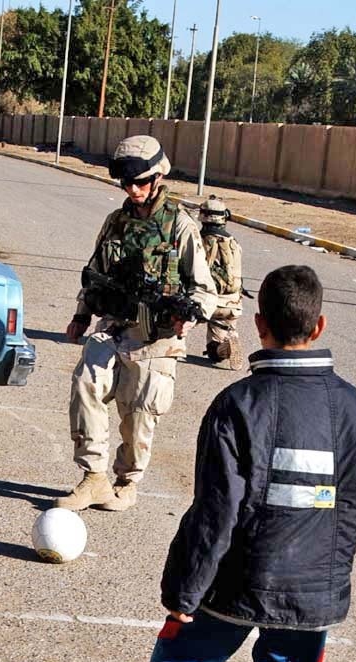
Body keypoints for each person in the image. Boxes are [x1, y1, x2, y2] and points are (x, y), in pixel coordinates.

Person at [95, 264, 356, 662]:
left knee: (179, 660)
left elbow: (217, 509)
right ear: (319, 324)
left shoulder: (239, 403)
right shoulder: (352, 407)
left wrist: (185, 589)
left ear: (258, 326)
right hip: (311, 585)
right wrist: (329, 568)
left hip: (237, 577)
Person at [56, 135, 218, 512]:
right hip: (114, 326)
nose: (133, 189)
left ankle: (125, 484)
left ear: (159, 177)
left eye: (141, 182)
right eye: (127, 183)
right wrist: (82, 314)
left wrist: (189, 314)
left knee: (138, 416)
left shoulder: (179, 225)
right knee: (86, 383)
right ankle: (93, 478)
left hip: (157, 338)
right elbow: (94, 274)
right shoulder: (115, 223)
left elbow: (204, 290)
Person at [198, 195, 244, 370]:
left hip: (208, 302)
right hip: (233, 304)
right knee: (224, 331)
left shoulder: (198, 240)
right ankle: (228, 343)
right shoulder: (234, 243)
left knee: (212, 353)